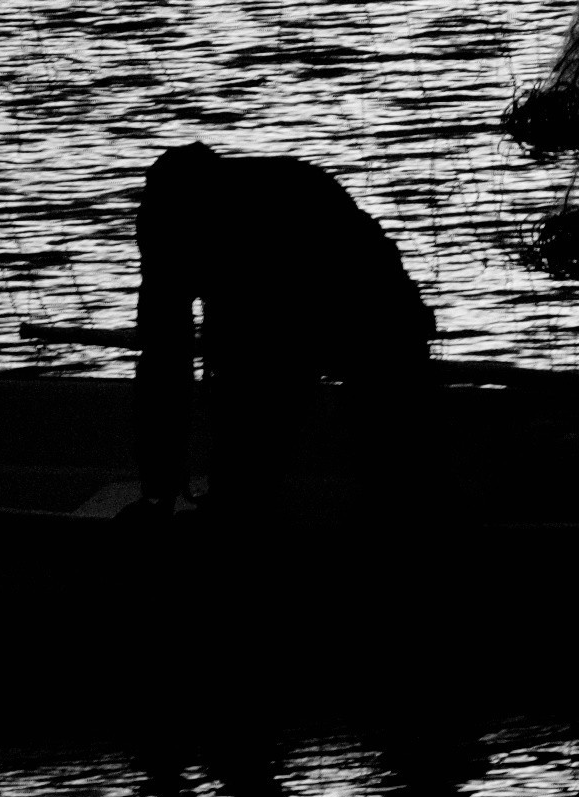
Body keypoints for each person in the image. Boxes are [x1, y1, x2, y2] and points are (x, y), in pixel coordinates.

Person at [133, 143, 435, 517]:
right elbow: (164, 349)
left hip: (374, 311)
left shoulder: (260, 213)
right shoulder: (165, 219)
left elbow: (253, 353)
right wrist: (158, 488)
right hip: (301, 313)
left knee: (387, 452)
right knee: (244, 401)